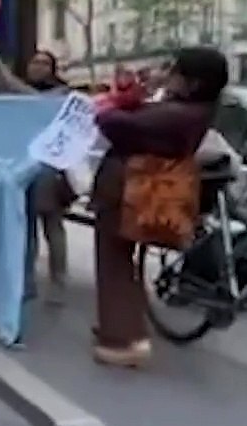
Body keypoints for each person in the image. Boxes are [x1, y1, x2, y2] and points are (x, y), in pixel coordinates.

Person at [90, 47, 229, 368]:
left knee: (114, 262)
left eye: (175, 71)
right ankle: (124, 326)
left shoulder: (179, 114)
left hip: (130, 190)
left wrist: (117, 105)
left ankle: (123, 339)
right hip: (137, 189)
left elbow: (112, 121)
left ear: (193, 82)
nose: (168, 75)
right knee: (124, 262)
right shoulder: (193, 109)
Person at [0, 51, 74, 305]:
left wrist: (3, 72)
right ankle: (26, 281)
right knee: (25, 226)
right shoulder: (13, 95)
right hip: (23, 164)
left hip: (50, 167)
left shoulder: (62, 94)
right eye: (34, 61)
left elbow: (35, 100)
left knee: (52, 225)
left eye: (44, 63)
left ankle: (58, 281)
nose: (37, 67)